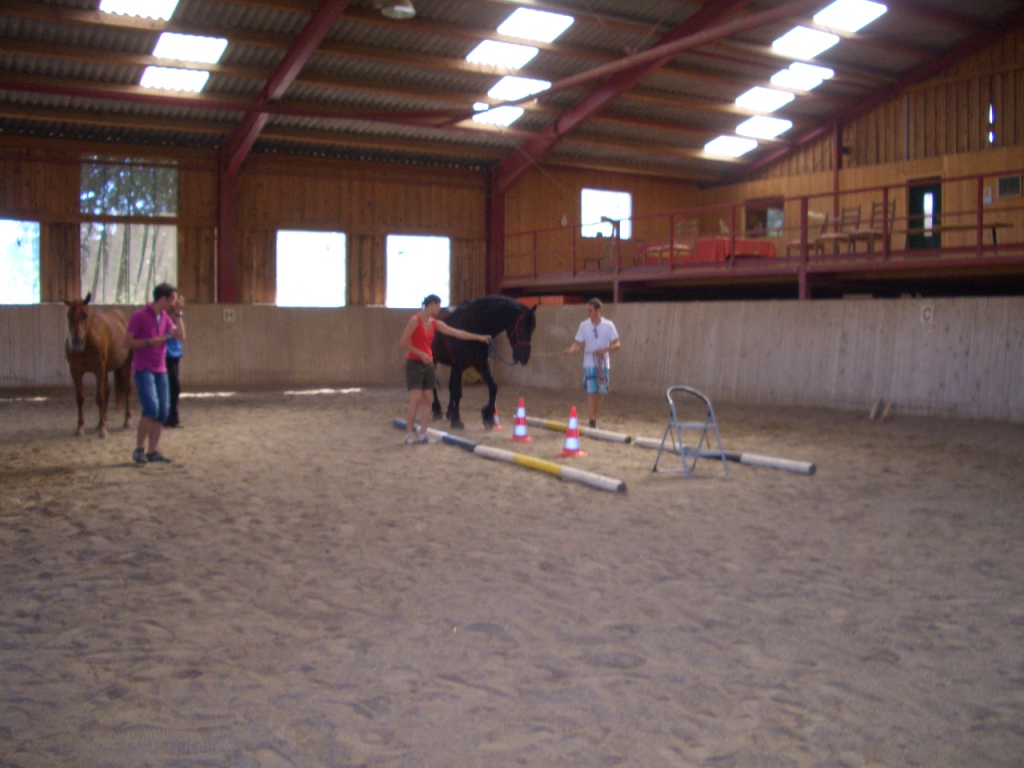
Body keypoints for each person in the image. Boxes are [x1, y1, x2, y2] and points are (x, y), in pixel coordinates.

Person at [400, 294, 491, 444]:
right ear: (431, 304)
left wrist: (479, 338)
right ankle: (409, 434)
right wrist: (421, 354)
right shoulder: (414, 320)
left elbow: (456, 333)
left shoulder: (435, 323)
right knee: (415, 399)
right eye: (438, 305)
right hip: (414, 363)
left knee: (428, 400)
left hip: (428, 364)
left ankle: (423, 434)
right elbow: (403, 342)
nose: (440, 308)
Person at [125, 282, 185, 464]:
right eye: (172, 299)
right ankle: (139, 449)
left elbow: (180, 336)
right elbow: (127, 342)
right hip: (144, 369)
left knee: (163, 411)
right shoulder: (139, 316)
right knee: (151, 408)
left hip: (161, 369)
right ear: (163, 299)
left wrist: (178, 314)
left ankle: (152, 451)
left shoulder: (165, 317)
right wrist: (149, 342)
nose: (173, 303)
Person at [563, 297, 621, 429]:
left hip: (603, 363)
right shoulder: (583, 325)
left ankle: (594, 416)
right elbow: (577, 343)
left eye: (590, 310)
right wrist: (570, 350)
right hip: (589, 362)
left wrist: (605, 350)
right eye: (587, 310)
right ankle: (591, 420)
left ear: (598, 310)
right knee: (590, 391)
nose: (588, 313)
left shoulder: (608, 325)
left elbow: (617, 344)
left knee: (601, 393)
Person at [164, 293, 185, 428]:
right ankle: (170, 416)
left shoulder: (176, 316)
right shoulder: (164, 317)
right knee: (173, 387)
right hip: (166, 354)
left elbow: (182, 335)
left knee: (173, 387)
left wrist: (178, 313)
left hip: (175, 354)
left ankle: (172, 416)